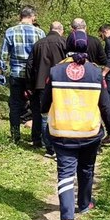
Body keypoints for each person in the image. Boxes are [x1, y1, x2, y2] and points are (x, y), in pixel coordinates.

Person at [41, 38, 110, 220]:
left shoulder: (55, 71)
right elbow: (106, 106)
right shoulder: (95, 72)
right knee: (86, 168)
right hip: (89, 131)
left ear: (67, 47)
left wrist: (43, 113)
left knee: (65, 172)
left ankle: (66, 219)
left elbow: (44, 102)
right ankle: (84, 204)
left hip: (62, 131)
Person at [0, 6, 46, 143]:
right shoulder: (40, 33)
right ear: (33, 17)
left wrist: (3, 72)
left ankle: (15, 136)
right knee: (36, 105)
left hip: (16, 73)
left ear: (20, 16)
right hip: (34, 75)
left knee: (15, 105)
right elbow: (42, 55)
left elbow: (3, 56)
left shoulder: (10, 32)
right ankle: (36, 138)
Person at [26, 21, 66, 158]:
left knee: (43, 115)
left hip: (41, 84)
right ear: (61, 30)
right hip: (60, 83)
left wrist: (30, 85)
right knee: (60, 113)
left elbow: (29, 66)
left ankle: (48, 147)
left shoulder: (38, 44)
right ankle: (59, 144)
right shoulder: (64, 43)